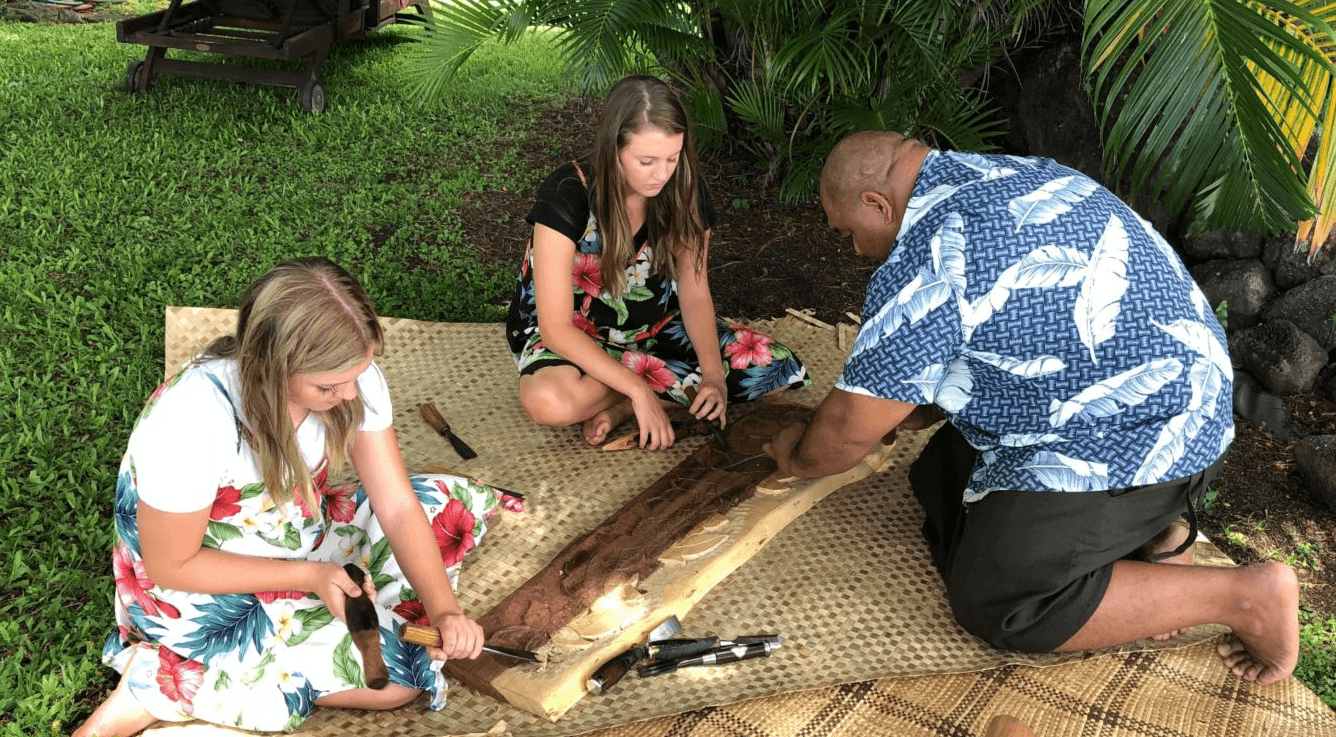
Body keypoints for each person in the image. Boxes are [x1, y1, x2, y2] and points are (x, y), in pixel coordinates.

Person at [765, 131, 1300, 686]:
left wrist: (798, 459)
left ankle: (1244, 596)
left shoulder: (928, 257)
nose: (853, 249)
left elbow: (849, 431)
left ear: (877, 204)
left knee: (1000, 604)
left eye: (848, 233)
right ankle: (1153, 532)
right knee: (940, 479)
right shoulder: (1013, 171)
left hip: (1144, 438)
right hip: (1187, 399)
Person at [76, 257, 513, 736]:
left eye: (357, 373)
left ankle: (293, 622)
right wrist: (311, 576)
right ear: (270, 366)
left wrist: (445, 608)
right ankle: (155, 685)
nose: (350, 395)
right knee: (397, 674)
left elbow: (396, 504)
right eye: (328, 385)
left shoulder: (351, 383)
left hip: (297, 528)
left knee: (444, 499)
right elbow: (169, 565)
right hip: (199, 580)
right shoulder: (194, 419)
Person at [505, 75, 810, 450]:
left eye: (672, 157)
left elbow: (695, 293)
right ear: (613, 149)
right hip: (575, 335)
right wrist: (638, 389)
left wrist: (714, 376)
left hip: (654, 329)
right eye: (646, 160)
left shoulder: (685, 189)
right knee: (549, 401)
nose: (662, 174)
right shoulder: (567, 193)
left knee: (776, 368)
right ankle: (646, 389)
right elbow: (554, 328)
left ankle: (622, 404)